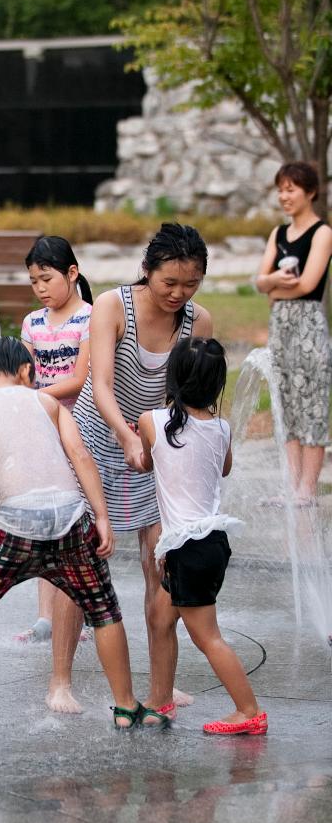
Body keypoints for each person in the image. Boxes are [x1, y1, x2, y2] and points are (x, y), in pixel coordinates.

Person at [0, 337, 168, 740]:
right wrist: (101, 516)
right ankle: (126, 705)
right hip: (70, 518)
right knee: (103, 610)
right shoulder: (47, 404)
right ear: (25, 372)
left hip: (13, 526)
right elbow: (80, 455)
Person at [69, 223, 214, 717]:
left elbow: (188, 399)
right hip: (97, 432)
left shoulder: (198, 321)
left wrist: (158, 442)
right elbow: (102, 384)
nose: (178, 293)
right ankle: (60, 681)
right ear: (147, 270)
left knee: (162, 563)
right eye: (168, 281)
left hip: (154, 442)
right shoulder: (113, 307)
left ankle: (161, 690)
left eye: (190, 283)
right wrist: (127, 435)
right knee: (80, 560)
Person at [138, 337, 266, 735]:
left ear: (172, 377)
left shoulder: (152, 422)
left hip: (188, 548)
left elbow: (144, 461)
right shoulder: (222, 428)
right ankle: (161, 699)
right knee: (161, 617)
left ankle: (249, 711)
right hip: (208, 542)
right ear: (216, 384)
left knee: (207, 637)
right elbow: (223, 469)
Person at [15, 236, 94, 651]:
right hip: (40, 428)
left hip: (77, 428)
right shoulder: (33, 323)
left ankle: (77, 611)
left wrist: (36, 398)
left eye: (47, 278)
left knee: (73, 524)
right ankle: (46, 617)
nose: (41, 287)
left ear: (72, 274)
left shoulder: (90, 319)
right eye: (34, 281)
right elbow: (23, 372)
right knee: (45, 520)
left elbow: (80, 379)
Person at [254, 161, 332, 505]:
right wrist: (272, 285)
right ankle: (291, 486)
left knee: (312, 405)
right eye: (281, 189)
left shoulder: (322, 233)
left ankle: (308, 490)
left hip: (308, 327)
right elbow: (260, 281)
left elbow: (309, 284)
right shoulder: (278, 234)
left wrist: (274, 289)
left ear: (310, 192)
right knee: (286, 403)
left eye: (291, 189)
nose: (284, 196)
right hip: (280, 328)